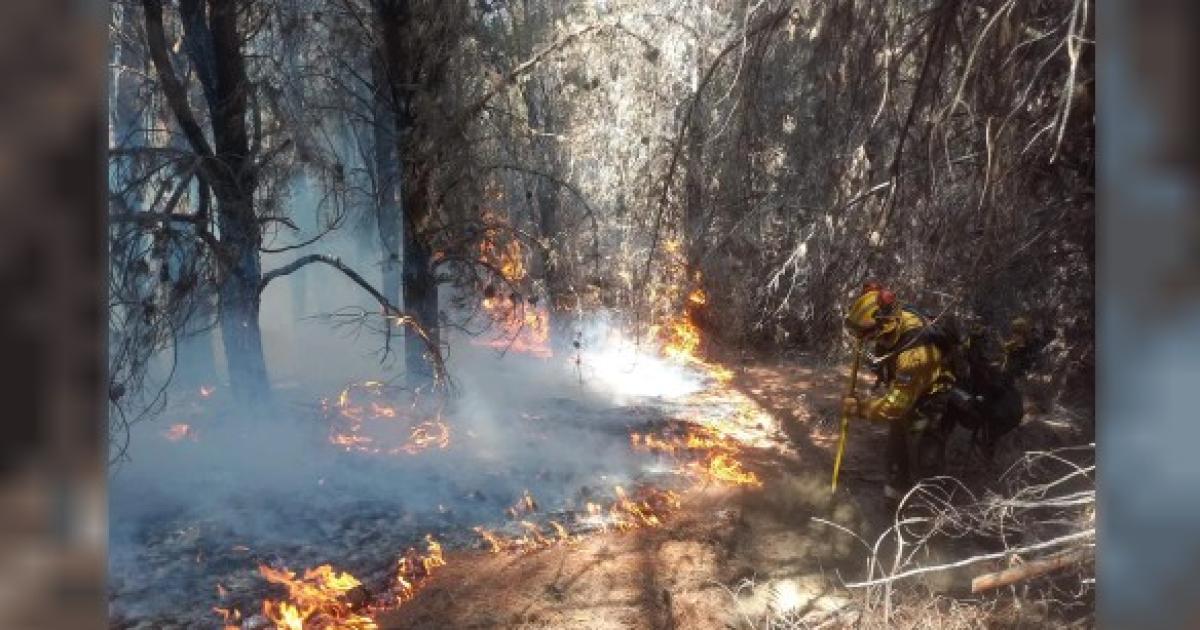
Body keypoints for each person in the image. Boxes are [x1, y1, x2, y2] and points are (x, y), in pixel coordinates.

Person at [840, 283, 959, 503]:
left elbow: (895, 406)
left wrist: (860, 408)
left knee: (925, 454)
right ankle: (896, 494)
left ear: (885, 325)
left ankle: (931, 508)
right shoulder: (893, 317)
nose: (865, 339)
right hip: (909, 388)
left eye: (869, 334)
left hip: (933, 394)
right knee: (897, 443)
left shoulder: (914, 355)